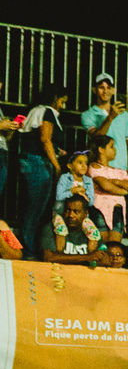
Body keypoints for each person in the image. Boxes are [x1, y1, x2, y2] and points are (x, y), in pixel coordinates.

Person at [18, 83, 68, 255]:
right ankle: (28, 250)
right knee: (35, 209)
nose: (63, 105)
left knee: (32, 208)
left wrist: (56, 151)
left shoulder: (36, 110)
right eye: (62, 101)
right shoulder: (47, 112)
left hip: (31, 162)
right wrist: (57, 165)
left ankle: (27, 246)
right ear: (55, 99)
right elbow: (45, 139)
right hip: (38, 164)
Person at [80, 73, 128, 177]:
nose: (105, 91)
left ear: (113, 90)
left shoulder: (123, 114)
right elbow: (96, 138)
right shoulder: (87, 115)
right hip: (100, 168)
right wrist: (110, 117)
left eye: (108, 87)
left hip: (121, 169)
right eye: (101, 87)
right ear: (94, 90)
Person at [87, 136, 128, 241]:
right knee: (102, 245)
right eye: (111, 147)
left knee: (115, 246)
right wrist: (123, 191)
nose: (115, 150)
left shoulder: (118, 171)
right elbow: (105, 186)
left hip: (117, 211)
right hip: (99, 209)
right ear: (101, 149)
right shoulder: (94, 167)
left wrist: (116, 181)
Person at [40, 196, 105, 265]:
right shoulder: (52, 228)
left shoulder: (91, 230)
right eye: (67, 211)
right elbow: (48, 257)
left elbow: (106, 259)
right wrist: (87, 257)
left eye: (76, 212)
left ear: (85, 214)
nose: (71, 215)